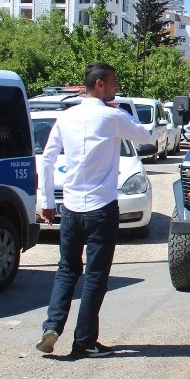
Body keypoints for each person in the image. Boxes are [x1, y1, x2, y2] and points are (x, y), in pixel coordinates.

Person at [35, 63, 153, 358]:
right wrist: (120, 111)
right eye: (113, 83)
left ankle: (52, 325)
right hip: (101, 209)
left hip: (71, 208)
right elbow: (145, 136)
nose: (116, 88)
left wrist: (47, 201)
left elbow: (47, 160)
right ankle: (84, 341)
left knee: (66, 269)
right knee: (96, 275)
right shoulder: (112, 116)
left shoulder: (66, 117)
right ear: (99, 85)